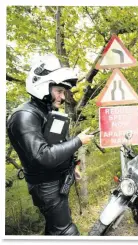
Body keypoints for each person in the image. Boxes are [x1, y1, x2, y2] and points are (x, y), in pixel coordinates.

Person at [7, 54, 94, 235]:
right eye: (59, 91)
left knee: (55, 229)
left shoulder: (45, 111)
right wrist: (78, 141)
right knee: (66, 232)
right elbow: (43, 156)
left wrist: (73, 167)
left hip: (56, 181)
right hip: (45, 185)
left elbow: (57, 145)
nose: (62, 97)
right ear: (42, 86)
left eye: (63, 92)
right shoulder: (25, 116)